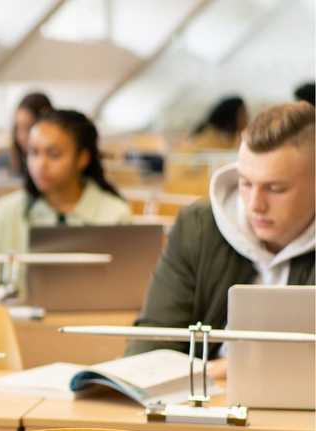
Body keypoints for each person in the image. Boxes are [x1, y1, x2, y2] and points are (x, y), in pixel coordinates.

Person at [128, 101, 315, 377]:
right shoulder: (198, 227)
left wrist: (234, 369)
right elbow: (151, 345)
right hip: (202, 404)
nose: (255, 205)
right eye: (245, 183)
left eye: (276, 189)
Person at [0, 109, 131, 291]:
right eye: (34, 153)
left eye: (53, 154)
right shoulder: (8, 211)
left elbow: (126, 287)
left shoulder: (114, 214)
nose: (40, 164)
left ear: (82, 158)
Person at [0, 91, 54, 180]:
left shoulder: (52, 167)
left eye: (29, 128)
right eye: (18, 128)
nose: (22, 137)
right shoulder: (1, 163)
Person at [180, 96, 249, 152]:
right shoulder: (210, 137)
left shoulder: (229, 139)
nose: (246, 118)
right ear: (231, 116)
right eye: (243, 114)